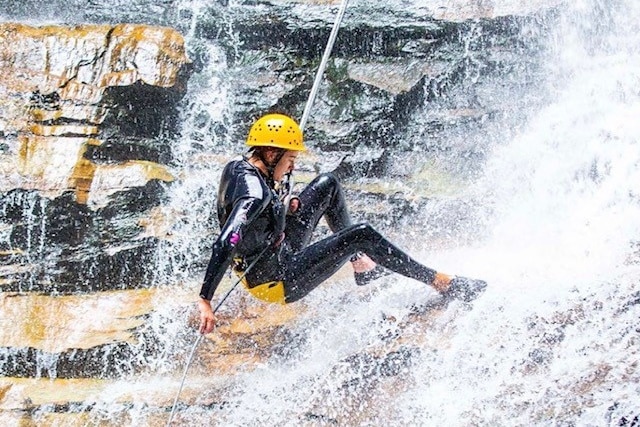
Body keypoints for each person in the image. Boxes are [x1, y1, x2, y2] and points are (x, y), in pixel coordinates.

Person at [198, 113, 486, 334]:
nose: (292, 167)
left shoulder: (241, 165)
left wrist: (285, 204)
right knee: (359, 234)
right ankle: (440, 282)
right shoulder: (254, 195)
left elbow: (258, 215)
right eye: (290, 159)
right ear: (271, 155)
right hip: (277, 280)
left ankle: (362, 267)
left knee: (328, 183)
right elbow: (228, 240)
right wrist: (205, 299)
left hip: (278, 248)